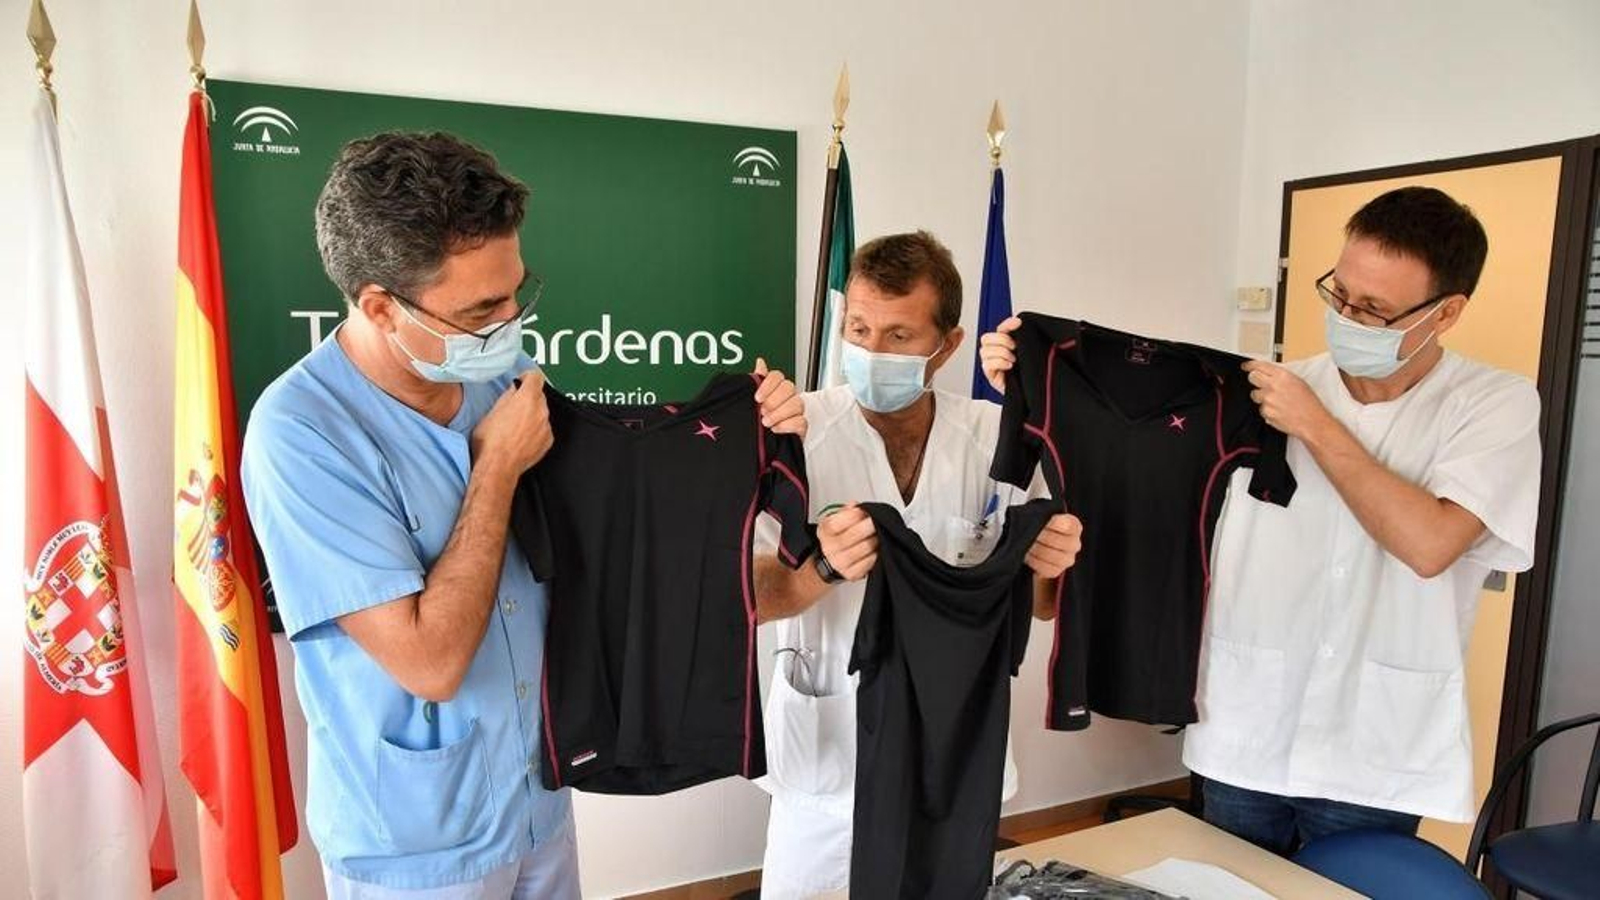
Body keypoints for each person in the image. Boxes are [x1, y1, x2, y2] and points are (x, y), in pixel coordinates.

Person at [241, 131, 804, 898]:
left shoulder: (502, 373)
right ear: (381, 306)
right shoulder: (301, 434)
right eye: (482, 308)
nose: (511, 322)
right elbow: (430, 662)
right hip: (417, 844)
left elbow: (615, 533)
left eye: (516, 291)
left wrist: (757, 423)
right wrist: (497, 467)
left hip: (540, 794)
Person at [979, 186, 1541, 854]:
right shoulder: (1251, 396)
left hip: (1374, 748)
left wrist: (1315, 425)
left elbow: (1429, 545)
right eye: (1339, 293)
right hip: (1246, 728)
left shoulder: (1493, 405)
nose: (1347, 316)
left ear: (1446, 312)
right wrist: (1030, 372)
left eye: (1375, 310)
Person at [753, 230, 1083, 898]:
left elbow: (1048, 604)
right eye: (859, 328)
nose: (871, 352)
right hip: (829, 753)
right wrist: (819, 571)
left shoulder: (1000, 443)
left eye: (899, 337)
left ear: (947, 344)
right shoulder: (794, 434)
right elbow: (748, 595)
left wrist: (1053, 563)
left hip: (952, 751)